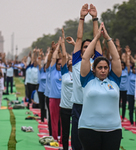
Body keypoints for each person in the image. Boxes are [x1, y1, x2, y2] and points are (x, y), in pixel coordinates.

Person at [78, 22, 122, 150]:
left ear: (109, 69)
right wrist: (96, 37)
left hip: (113, 130)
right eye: (100, 68)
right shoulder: (87, 80)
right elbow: (85, 58)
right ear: (94, 69)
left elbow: (116, 59)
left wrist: (107, 38)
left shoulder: (114, 80)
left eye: (105, 68)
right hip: (88, 129)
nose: (103, 70)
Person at [71, 4, 102, 149]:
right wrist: (82, 18)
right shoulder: (77, 61)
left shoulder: (97, 63)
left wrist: (95, 18)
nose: (87, 48)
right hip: (78, 106)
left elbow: (98, 39)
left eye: (90, 46)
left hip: (93, 107)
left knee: (91, 143)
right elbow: (78, 38)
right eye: (85, 46)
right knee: (77, 142)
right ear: (81, 50)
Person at [60, 28, 74, 150]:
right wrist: (63, 41)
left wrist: (75, 44)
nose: (70, 60)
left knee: (75, 134)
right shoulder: (64, 72)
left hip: (75, 106)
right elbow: (64, 55)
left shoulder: (79, 73)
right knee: (65, 133)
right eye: (68, 60)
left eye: (71, 59)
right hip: (64, 106)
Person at [49, 38, 62, 143]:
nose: (60, 66)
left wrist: (63, 46)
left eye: (62, 65)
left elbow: (65, 57)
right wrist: (57, 49)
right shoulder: (52, 70)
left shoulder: (65, 71)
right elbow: (54, 58)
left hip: (64, 100)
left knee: (64, 121)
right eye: (58, 64)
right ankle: (54, 138)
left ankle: (63, 139)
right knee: (54, 120)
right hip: (53, 98)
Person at [126, 51, 136, 126]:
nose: (134, 70)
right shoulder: (129, 74)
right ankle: (132, 122)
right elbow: (128, 65)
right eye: (134, 69)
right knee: (131, 109)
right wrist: (128, 56)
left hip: (135, 95)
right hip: (130, 94)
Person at [38, 49, 46, 122]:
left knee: (47, 106)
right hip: (41, 90)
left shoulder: (50, 72)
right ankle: (42, 118)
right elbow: (40, 63)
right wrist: (40, 55)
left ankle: (47, 117)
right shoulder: (41, 71)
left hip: (48, 92)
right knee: (42, 105)